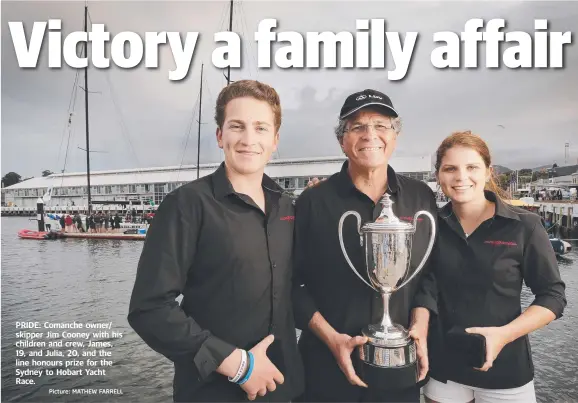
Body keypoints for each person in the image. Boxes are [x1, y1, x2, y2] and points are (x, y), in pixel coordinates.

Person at [127, 80, 304, 402]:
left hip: (284, 386)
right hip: (214, 391)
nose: (249, 139)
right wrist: (238, 364)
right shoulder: (186, 205)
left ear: (275, 139)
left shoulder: (288, 205)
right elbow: (149, 308)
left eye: (261, 128)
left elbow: (299, 289)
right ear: (220, 135)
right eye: (237, 126)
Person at [293, 89, 437, 402]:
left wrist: (420, 326)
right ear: (341, 140)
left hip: (399, 371)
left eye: (381, 125)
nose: (369, 134)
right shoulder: (312, 202)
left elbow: (432, 274)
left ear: (395, 136)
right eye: (357, 127)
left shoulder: (421, 197)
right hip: (324, 370)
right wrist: (331, 339)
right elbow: (291, 284)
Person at [411, 131, 567, 403]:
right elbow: (425, 285)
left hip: (505, 371)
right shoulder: (430, 226)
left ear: (487, 172)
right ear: (439, 175)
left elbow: (552, 296)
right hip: (444, 368)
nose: (461, 177)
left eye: (471, 167)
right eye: (450, 168)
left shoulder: (524, 225)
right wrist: (419, 328)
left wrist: (503, 335)